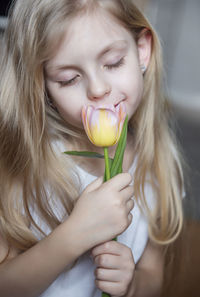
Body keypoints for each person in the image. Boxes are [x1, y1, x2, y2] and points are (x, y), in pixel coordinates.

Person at [0, 0, 184, 296]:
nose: (98, 90)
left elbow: (153, 274)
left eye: (112, 62)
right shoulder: (26, 165)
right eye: (68, 78)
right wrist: (75, 234)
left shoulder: (157, 166)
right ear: (42, 86)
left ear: (142, 50)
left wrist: (132, 285)